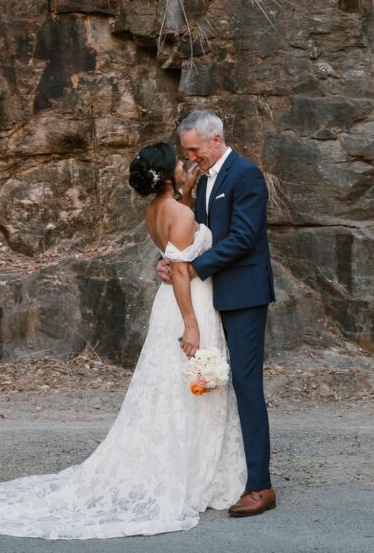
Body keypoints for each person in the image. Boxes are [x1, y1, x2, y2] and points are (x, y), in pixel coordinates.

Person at [0, 141, 246, 539]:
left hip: (169, 306)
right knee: (188, 385)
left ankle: (188, 468)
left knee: (172, 387)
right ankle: (194, 475)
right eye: (179, 162)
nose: (185, 164)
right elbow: (180, 272)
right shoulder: (179, 212)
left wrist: (188, 189)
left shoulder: (157, 209)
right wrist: (192, 324)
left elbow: (178, 235)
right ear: (166, 174)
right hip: (187, 304)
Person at [157, 110, 276, 517]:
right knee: (214, 385)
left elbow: (245, 236)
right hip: (212, 295)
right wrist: (173, 260)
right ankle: (221, 475)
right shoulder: (205, 180)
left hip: (244, 294)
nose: (191, 156)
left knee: (245, 383)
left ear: (215, 139)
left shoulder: (245, 174)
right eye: (186, 150)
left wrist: (193, 268)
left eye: (195, 148)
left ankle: (260, 486)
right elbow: (199, 234)